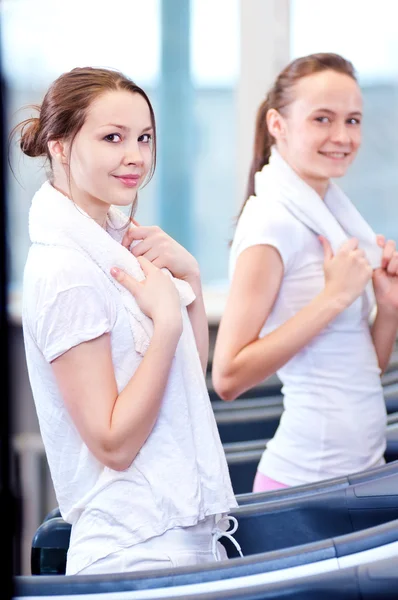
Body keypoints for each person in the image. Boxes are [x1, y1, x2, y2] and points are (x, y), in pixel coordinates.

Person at [14, 66, 239, 575]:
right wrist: (165, 324)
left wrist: (192, 283)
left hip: (173, 538)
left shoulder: (117, 244)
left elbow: (183, 377)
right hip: (135, 550)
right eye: (112, 137)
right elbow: (113, 444)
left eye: (143, 137)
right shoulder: (67, 272)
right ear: (60, 146)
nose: (135, 155)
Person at [212, 53, 398, 493]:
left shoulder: (329, 217)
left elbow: (358, 371)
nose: (342, 136)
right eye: (322, 119)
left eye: (352, 120)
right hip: (305, 484)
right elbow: (227, 376)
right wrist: (334, 297)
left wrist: (388, 309)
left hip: (357, 473)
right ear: (277, 124)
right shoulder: (270, 223)